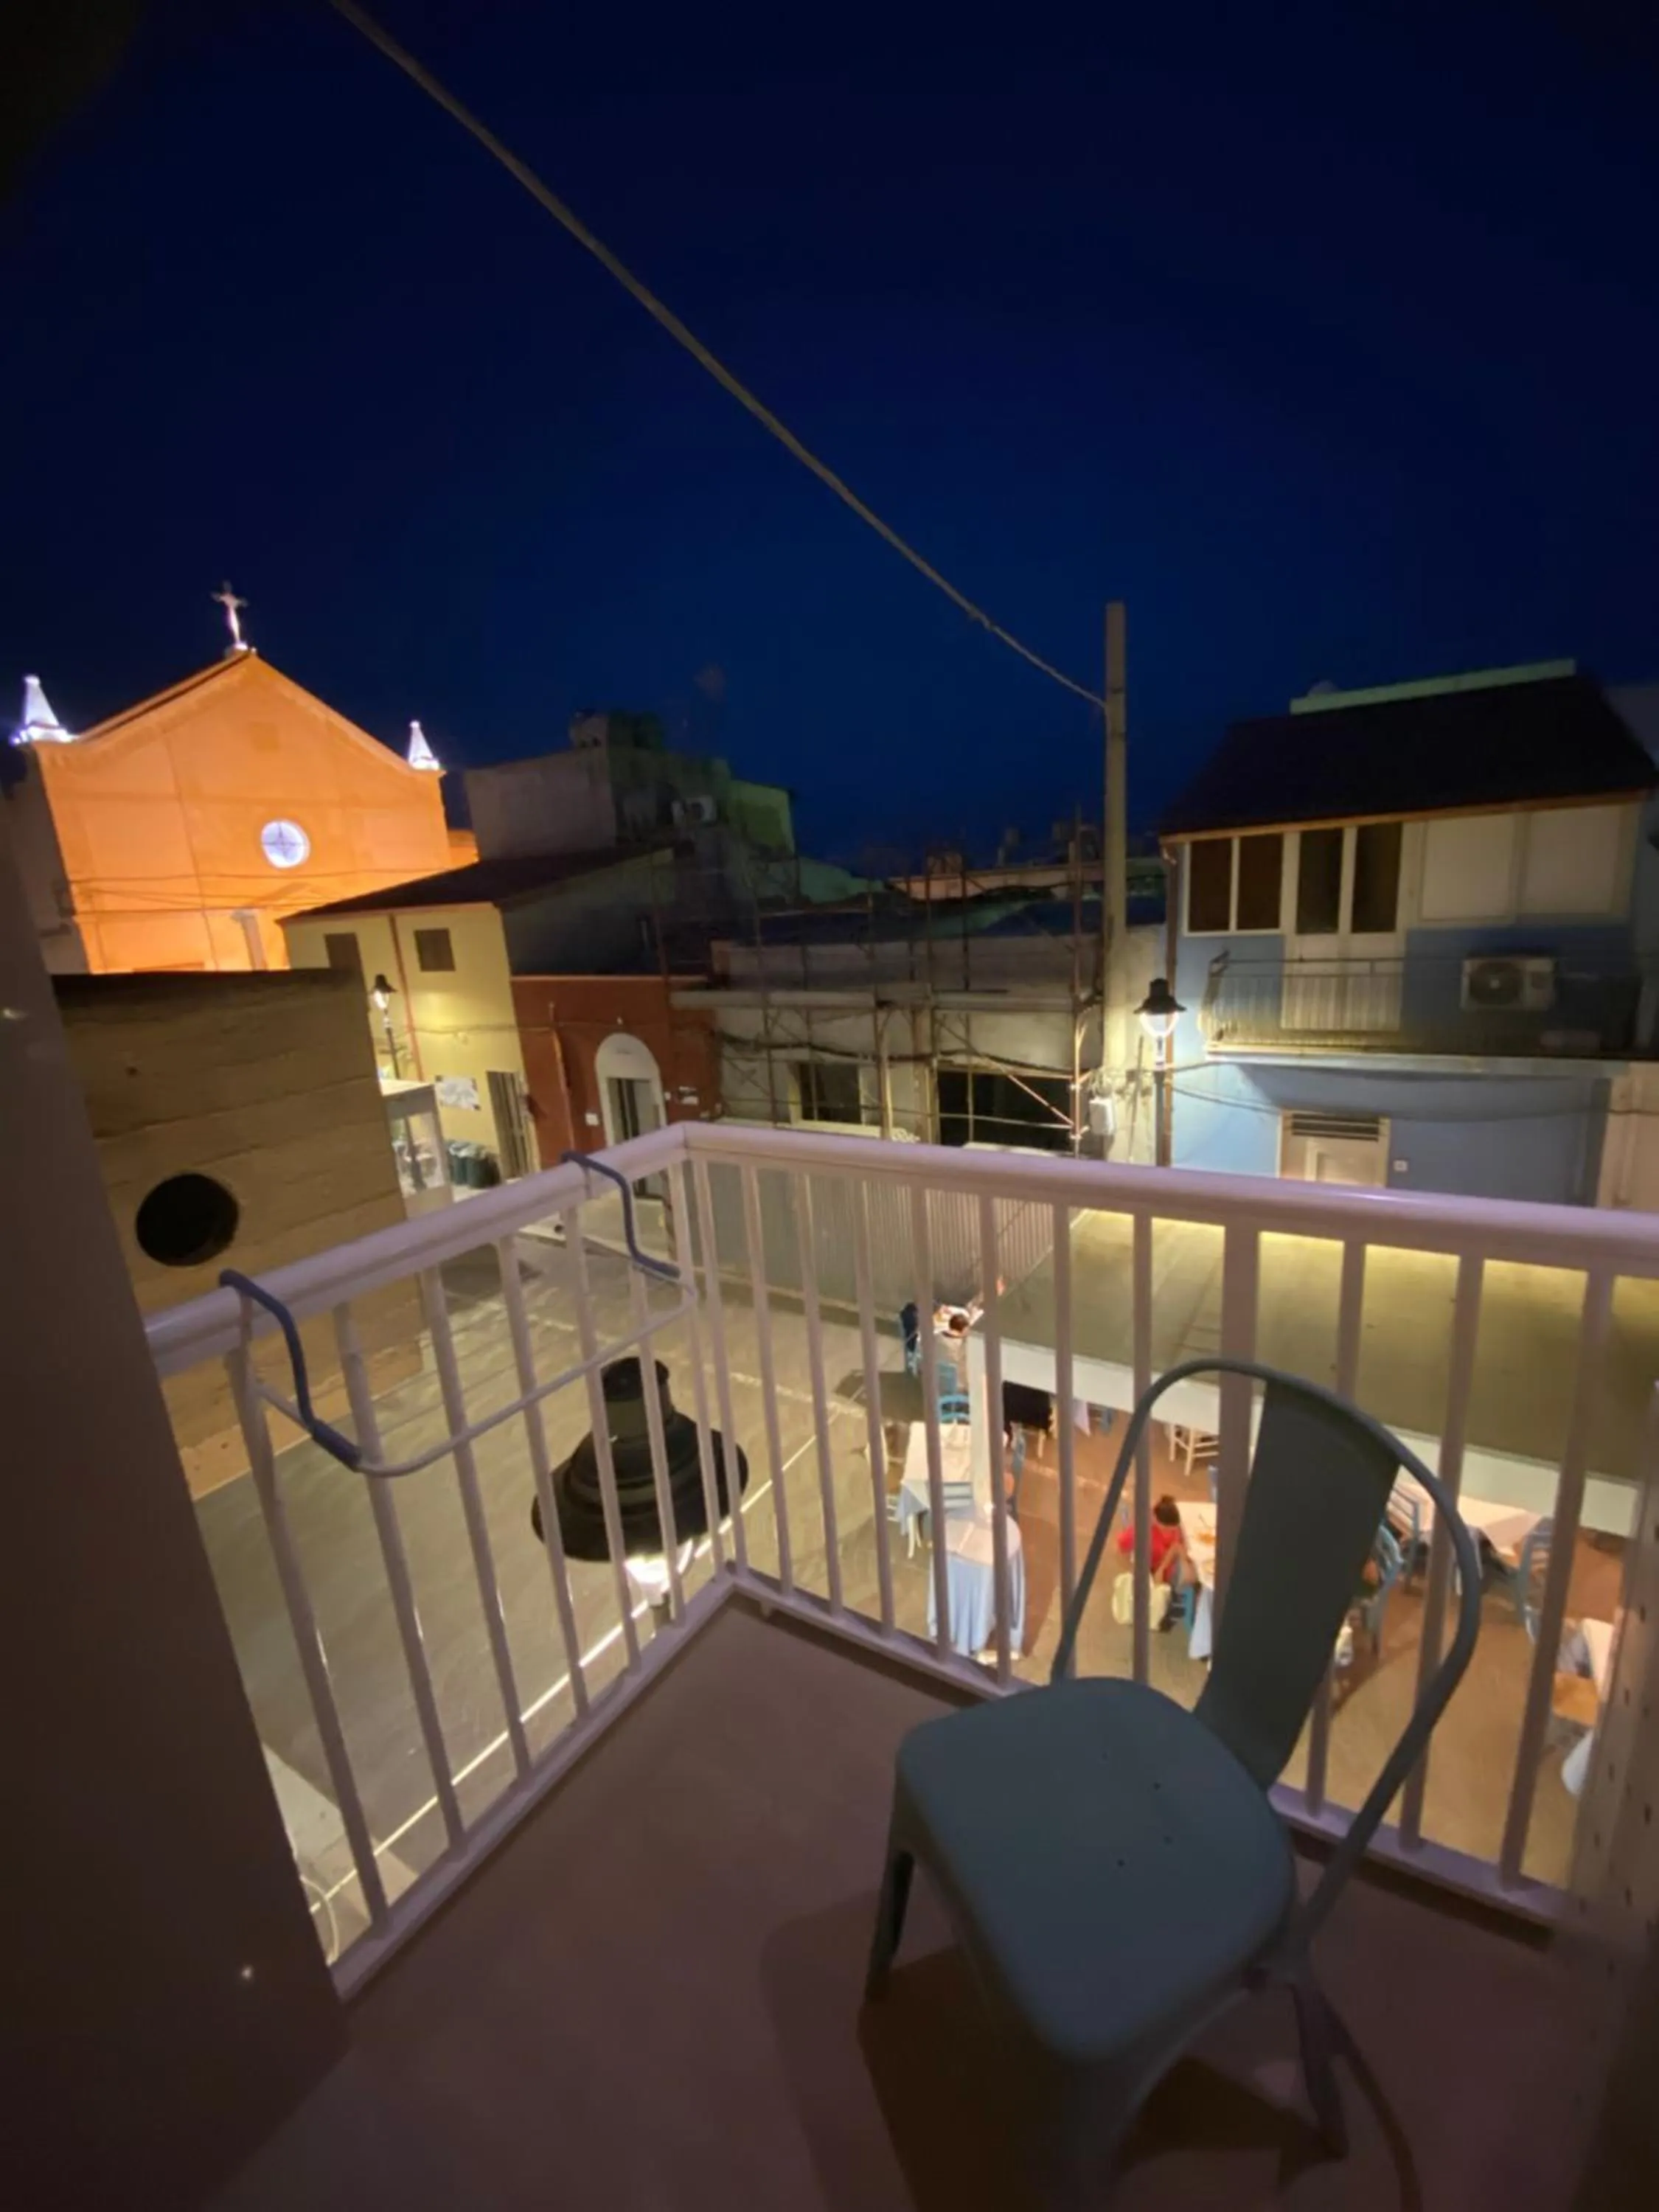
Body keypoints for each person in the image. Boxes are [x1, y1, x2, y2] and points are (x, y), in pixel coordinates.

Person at [1116, 1495, 1188, 1627]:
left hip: (1164, 1565)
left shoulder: (1175, 1527)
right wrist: (1135, 1570)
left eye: (1172, 1529)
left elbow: (1177, 1545)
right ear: (1155, 1520)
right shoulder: (1141, 1530)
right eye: (1165, 1529)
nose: (1169, 1532)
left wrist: (1162, 1568)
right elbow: (1122, 1547)